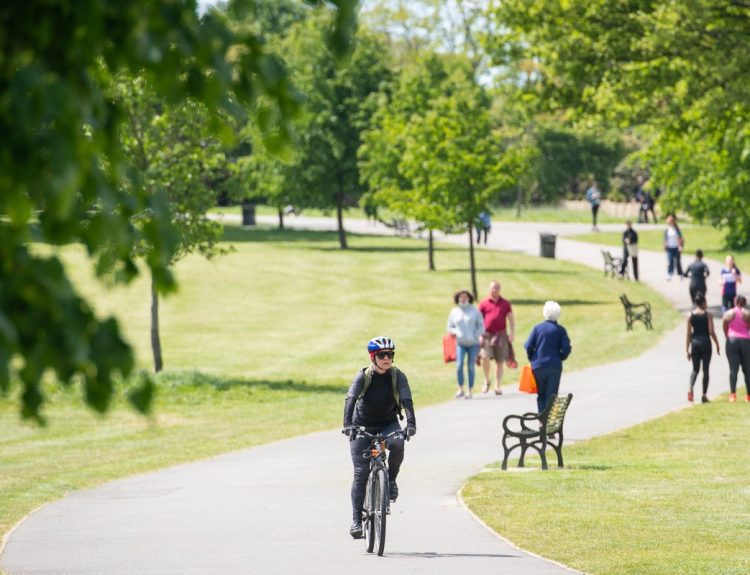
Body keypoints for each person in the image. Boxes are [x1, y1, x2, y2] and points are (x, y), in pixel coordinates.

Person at [342, 336, 416, 539]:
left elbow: (407, 400)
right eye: (382, 355)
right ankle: (357, 521)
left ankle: (390, 480)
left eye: (390, 354)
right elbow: (351, 398)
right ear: (373, 357)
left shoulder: (398, 376)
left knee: (398, 444)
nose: (386, 358)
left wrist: (411, 424)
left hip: (387, 424)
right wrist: (347, 424)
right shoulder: (363, 376)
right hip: (362, 425)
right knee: (361, 472)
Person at [524, 301, 572, 412]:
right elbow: (566, 348)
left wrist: (532, 358)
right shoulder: (560, 330)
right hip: (554, 365)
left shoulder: (537, 328)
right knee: (552, 395)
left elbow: (528, 345)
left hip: (538, 366)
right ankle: (549, 419)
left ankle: (542, 418)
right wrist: (561, 357)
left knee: (541, 394)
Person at [478, 281, 515, 395]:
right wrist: (479, 334)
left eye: (497, 288)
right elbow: (478, 320)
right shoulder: (483, 303)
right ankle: (487, 381)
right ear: (489, 289)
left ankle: (497, 386)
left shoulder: (505, 303)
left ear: (500, 289)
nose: (494, 290)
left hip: (501, 335)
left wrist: (512, 332)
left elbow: (511, 318)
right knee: (485, 357)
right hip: (486, 335)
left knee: (500, 361)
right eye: (493, 288)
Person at [446, 290, 485, 399]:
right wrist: (456, 332)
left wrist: (476, 335)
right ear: (458, 299)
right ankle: (460, 389)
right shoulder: (454, 311)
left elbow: (481, 326)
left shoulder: (475, 311)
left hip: (473, 343)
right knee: (459, 365)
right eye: (461, 297)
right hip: (460, 343)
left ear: (469, 298)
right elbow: (449, 327)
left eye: (465, 297)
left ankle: (470, 390)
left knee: (471, 366)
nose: (463, 299)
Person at [685, 293, 720, 403]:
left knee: (695, 369)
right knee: (705, 370)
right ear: (703, 302)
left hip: (695, 343)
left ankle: (690, 388)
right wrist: (717, 343)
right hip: (705, 342)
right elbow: (711, 331)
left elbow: (688, 334)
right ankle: (704, 395)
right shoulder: (708, 315)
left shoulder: (690, 315)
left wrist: (687, 350)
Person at [722, 295, 750, 403]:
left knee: (733, 369)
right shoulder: (747, 314)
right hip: (745, 341)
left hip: (732, 340)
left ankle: (733, 395)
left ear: (736, 301)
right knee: (747, 370)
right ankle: (748, 396)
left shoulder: (729, 313)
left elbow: (724, 324)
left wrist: (727, 335)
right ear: (744, 303)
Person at [663, 214, 684, 280]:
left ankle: (680, 273)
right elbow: (665, 239)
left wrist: (680, 246)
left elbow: (680, 238)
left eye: (671, 222)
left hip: (676, 247)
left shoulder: (677, 229)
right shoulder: (667, 230)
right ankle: (670, 273)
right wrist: (665, 246)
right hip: (670, 248)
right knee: (670, 261)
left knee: (678, 261)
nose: (670, 223)